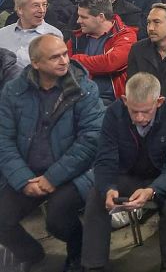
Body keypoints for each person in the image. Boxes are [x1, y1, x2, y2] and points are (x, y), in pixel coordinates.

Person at [0, 34, 104, 272]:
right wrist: (22, 179)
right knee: (2, 218)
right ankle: (31, 254)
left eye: (65, 54)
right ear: (35, 63)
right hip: (30, 171)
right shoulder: (13, 91)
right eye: (55, 57)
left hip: (75, 172)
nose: (64, 61)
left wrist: (52, 178)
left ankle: (78, 251)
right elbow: (3, 140)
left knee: (58, 219)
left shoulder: (84, 89)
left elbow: (91, 141)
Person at [80, 73, 166, 272]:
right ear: (125, 100)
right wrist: (108, 188)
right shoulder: (114, 113)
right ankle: (94, 266)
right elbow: (105, 159)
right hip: (132, 171)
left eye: (146, 111)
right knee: (96, 196)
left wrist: (152, 190)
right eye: (134, 111)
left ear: (158, 102)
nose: (140, 118)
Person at [67, 0, 138, 105]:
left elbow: (111, 62)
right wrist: (101, 60)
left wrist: (77, 60)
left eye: (84, 17)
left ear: (101, 17)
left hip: (114, 102)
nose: (78, 21)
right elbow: (65, 65)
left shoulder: (125, 35)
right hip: (79, 99)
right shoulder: (76, 38)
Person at [0, 0, 64, 74]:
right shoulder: (2, 34)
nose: (42, 10)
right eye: (36, 5)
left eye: (44, 5)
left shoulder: (54, 36)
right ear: (20, 9)